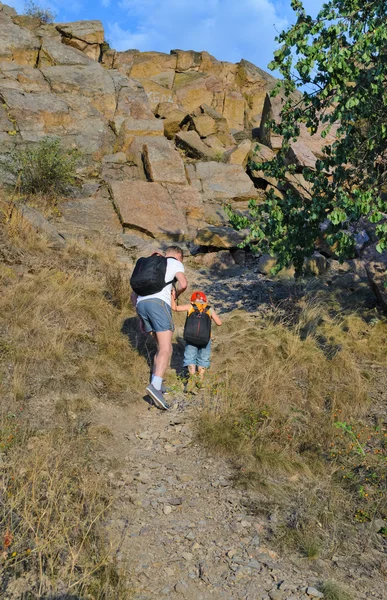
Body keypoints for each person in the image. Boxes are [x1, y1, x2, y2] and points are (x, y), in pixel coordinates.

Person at [131, 246, 187, 410]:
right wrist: (176, 295)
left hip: (142, 305)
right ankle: (154, 386)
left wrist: (141, 318)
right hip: (159, 305)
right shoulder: (174, 263)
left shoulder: (149, 265)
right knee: (165, 348)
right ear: (178, 255)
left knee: (161, 347)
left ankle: (158, 382)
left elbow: (133, 295)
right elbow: (183, 284)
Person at [171, 290, 222, 389]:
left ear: (192, 301)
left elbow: (175, 308)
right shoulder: (209, 309)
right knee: (203, 358)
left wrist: (173, 297)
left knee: (190, 357)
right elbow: (219, 323)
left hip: (190, 338)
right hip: (205, 339)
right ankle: (200, 379)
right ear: (205, 301)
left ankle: (192, 378)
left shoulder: (190, 306)